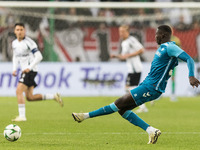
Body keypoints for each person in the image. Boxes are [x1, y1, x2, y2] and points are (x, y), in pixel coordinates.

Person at [72, 25, 200, 144]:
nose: (155, 36)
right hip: (148, 84)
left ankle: (84, 116)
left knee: (118, 103)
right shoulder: (162, 48)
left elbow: (188, 58)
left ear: (163, 35)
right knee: (123, 110)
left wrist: (191, 75)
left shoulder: (170, 47)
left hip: (152, 87)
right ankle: (151, 131)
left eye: (157, 34)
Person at [12, 23, 63, 122]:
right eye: (17, 30)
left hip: (30, 71)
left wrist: (29, 68)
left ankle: (22, 116)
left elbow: (39, 56)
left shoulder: (29, 42)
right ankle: (53, 96)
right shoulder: (14, 43)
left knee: (18, 91)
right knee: (30, 97)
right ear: (14, 31)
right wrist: (14, 68)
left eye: (21, 30)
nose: (19, 32)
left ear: (24, 31)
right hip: (26, 71)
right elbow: (15, 56)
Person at [110, 25, 148, 113]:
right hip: (131, 68)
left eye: (123, 32)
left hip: (135, 68)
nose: (121, 34)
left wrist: (128, 55)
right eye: (120, 32)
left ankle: (142, 105)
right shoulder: (124, 42)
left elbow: (142, 50)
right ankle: (141, 104)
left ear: (127, 32)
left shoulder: (131, 40)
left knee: (131, 88)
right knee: (129, 88)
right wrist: (115, 56)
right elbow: (124, 56)